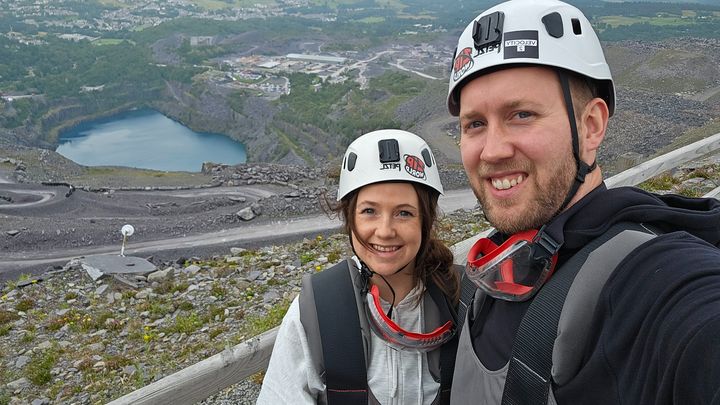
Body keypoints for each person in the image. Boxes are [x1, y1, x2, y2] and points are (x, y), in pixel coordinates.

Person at [446, 0, 720, 404]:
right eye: (475, 124)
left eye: (521, 115)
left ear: (591, 126)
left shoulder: (649, 277)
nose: (492, 150)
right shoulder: (490, 271)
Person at [257, 129, 461, 404]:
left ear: (426, 220)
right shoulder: (318, 308)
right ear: (349, 218)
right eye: (369, 211)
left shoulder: (461, 298)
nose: (385, 231)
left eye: (404, 213)